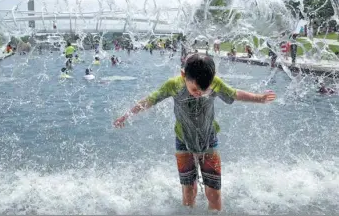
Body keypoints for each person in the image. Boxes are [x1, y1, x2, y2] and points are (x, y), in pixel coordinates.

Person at [113, 54, 276, 212]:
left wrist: (259, 98)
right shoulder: (173, 85)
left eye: (205, 90)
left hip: (209, 141)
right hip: (183, 142)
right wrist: (126, 116)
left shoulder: (214, 83)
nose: (200, 93)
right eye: (195, 89)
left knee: (214, 193)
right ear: (183, 75)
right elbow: (149, 100)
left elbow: (234, 93)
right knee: (189, 191)